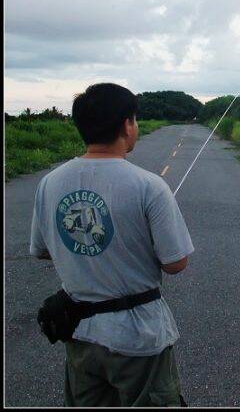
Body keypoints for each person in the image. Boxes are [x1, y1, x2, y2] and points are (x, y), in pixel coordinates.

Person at [29, 83, 194, 407]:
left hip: (79, 335)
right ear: (126, 125)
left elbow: (42, 249)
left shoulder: (50, 182)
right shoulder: (149, 186)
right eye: (134, 119)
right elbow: (176, 263)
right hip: (139, 338)